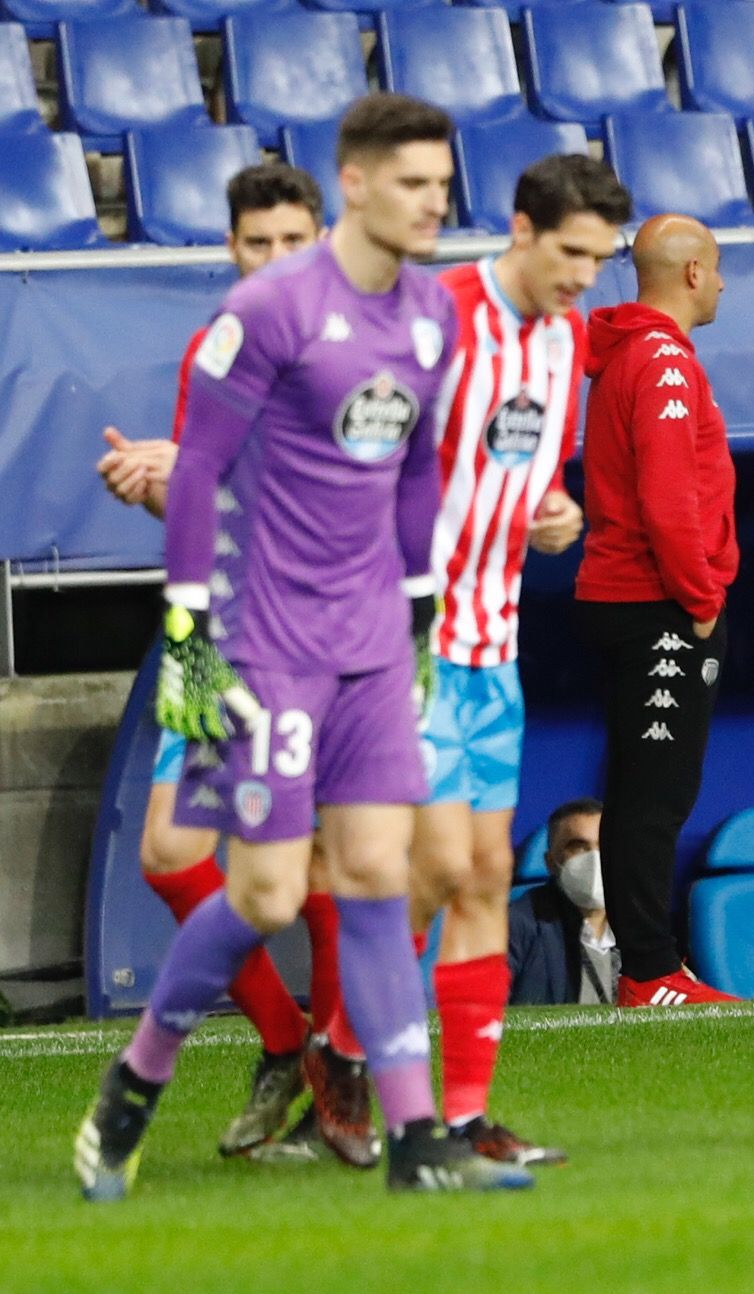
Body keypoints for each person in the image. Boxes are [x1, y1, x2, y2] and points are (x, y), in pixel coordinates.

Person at [74, 93, 532, 1201]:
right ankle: (136, 1082)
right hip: (265, 642)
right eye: (415, 184)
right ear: (361, 183)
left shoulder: (431, 315)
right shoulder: (271, 312)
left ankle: (418, 1138)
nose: (436, 203)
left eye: (443, 184)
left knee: (378, 874)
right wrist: (188, 630)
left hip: (375, 642)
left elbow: (419, 469)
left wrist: (420, 608)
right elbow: (193, 474)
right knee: (271, 893)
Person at [92, 163, 351, 1162]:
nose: (278, 262)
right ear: (232, 250)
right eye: (259, 245)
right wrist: (151, 482)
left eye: (296, 242)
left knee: (323, 858)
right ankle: (289, 1044)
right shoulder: (217, 347)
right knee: (170, 850)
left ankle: (334, 1063)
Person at [399, 154, 628, 1165]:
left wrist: (557, 514)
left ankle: (459, 1116)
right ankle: (354, 1062)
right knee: (435, 868)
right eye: (573, 253)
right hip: (409, 644)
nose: (586, 275)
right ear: (521, 227)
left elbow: (526, 473)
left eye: (602, 258)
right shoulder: (436, 317)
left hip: (497, 645)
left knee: (485, 871)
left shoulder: (566, 338)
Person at [575, 214, 739, 1009]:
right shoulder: (666, 362)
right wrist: (702, 599)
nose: (723, 285)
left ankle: (649, 967)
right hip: (660, 602)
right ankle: (649, 972)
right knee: (655, 796)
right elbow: (670, 502)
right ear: (696, 273)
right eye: (719, 270)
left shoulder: (625, 355)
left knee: (645, 790)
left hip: (630, 597)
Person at [507, 798, 620, 1006]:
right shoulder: (516, 924)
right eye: (578, 847)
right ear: (551, 862)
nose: (595, 858)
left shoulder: (641, 926)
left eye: (604, 845)